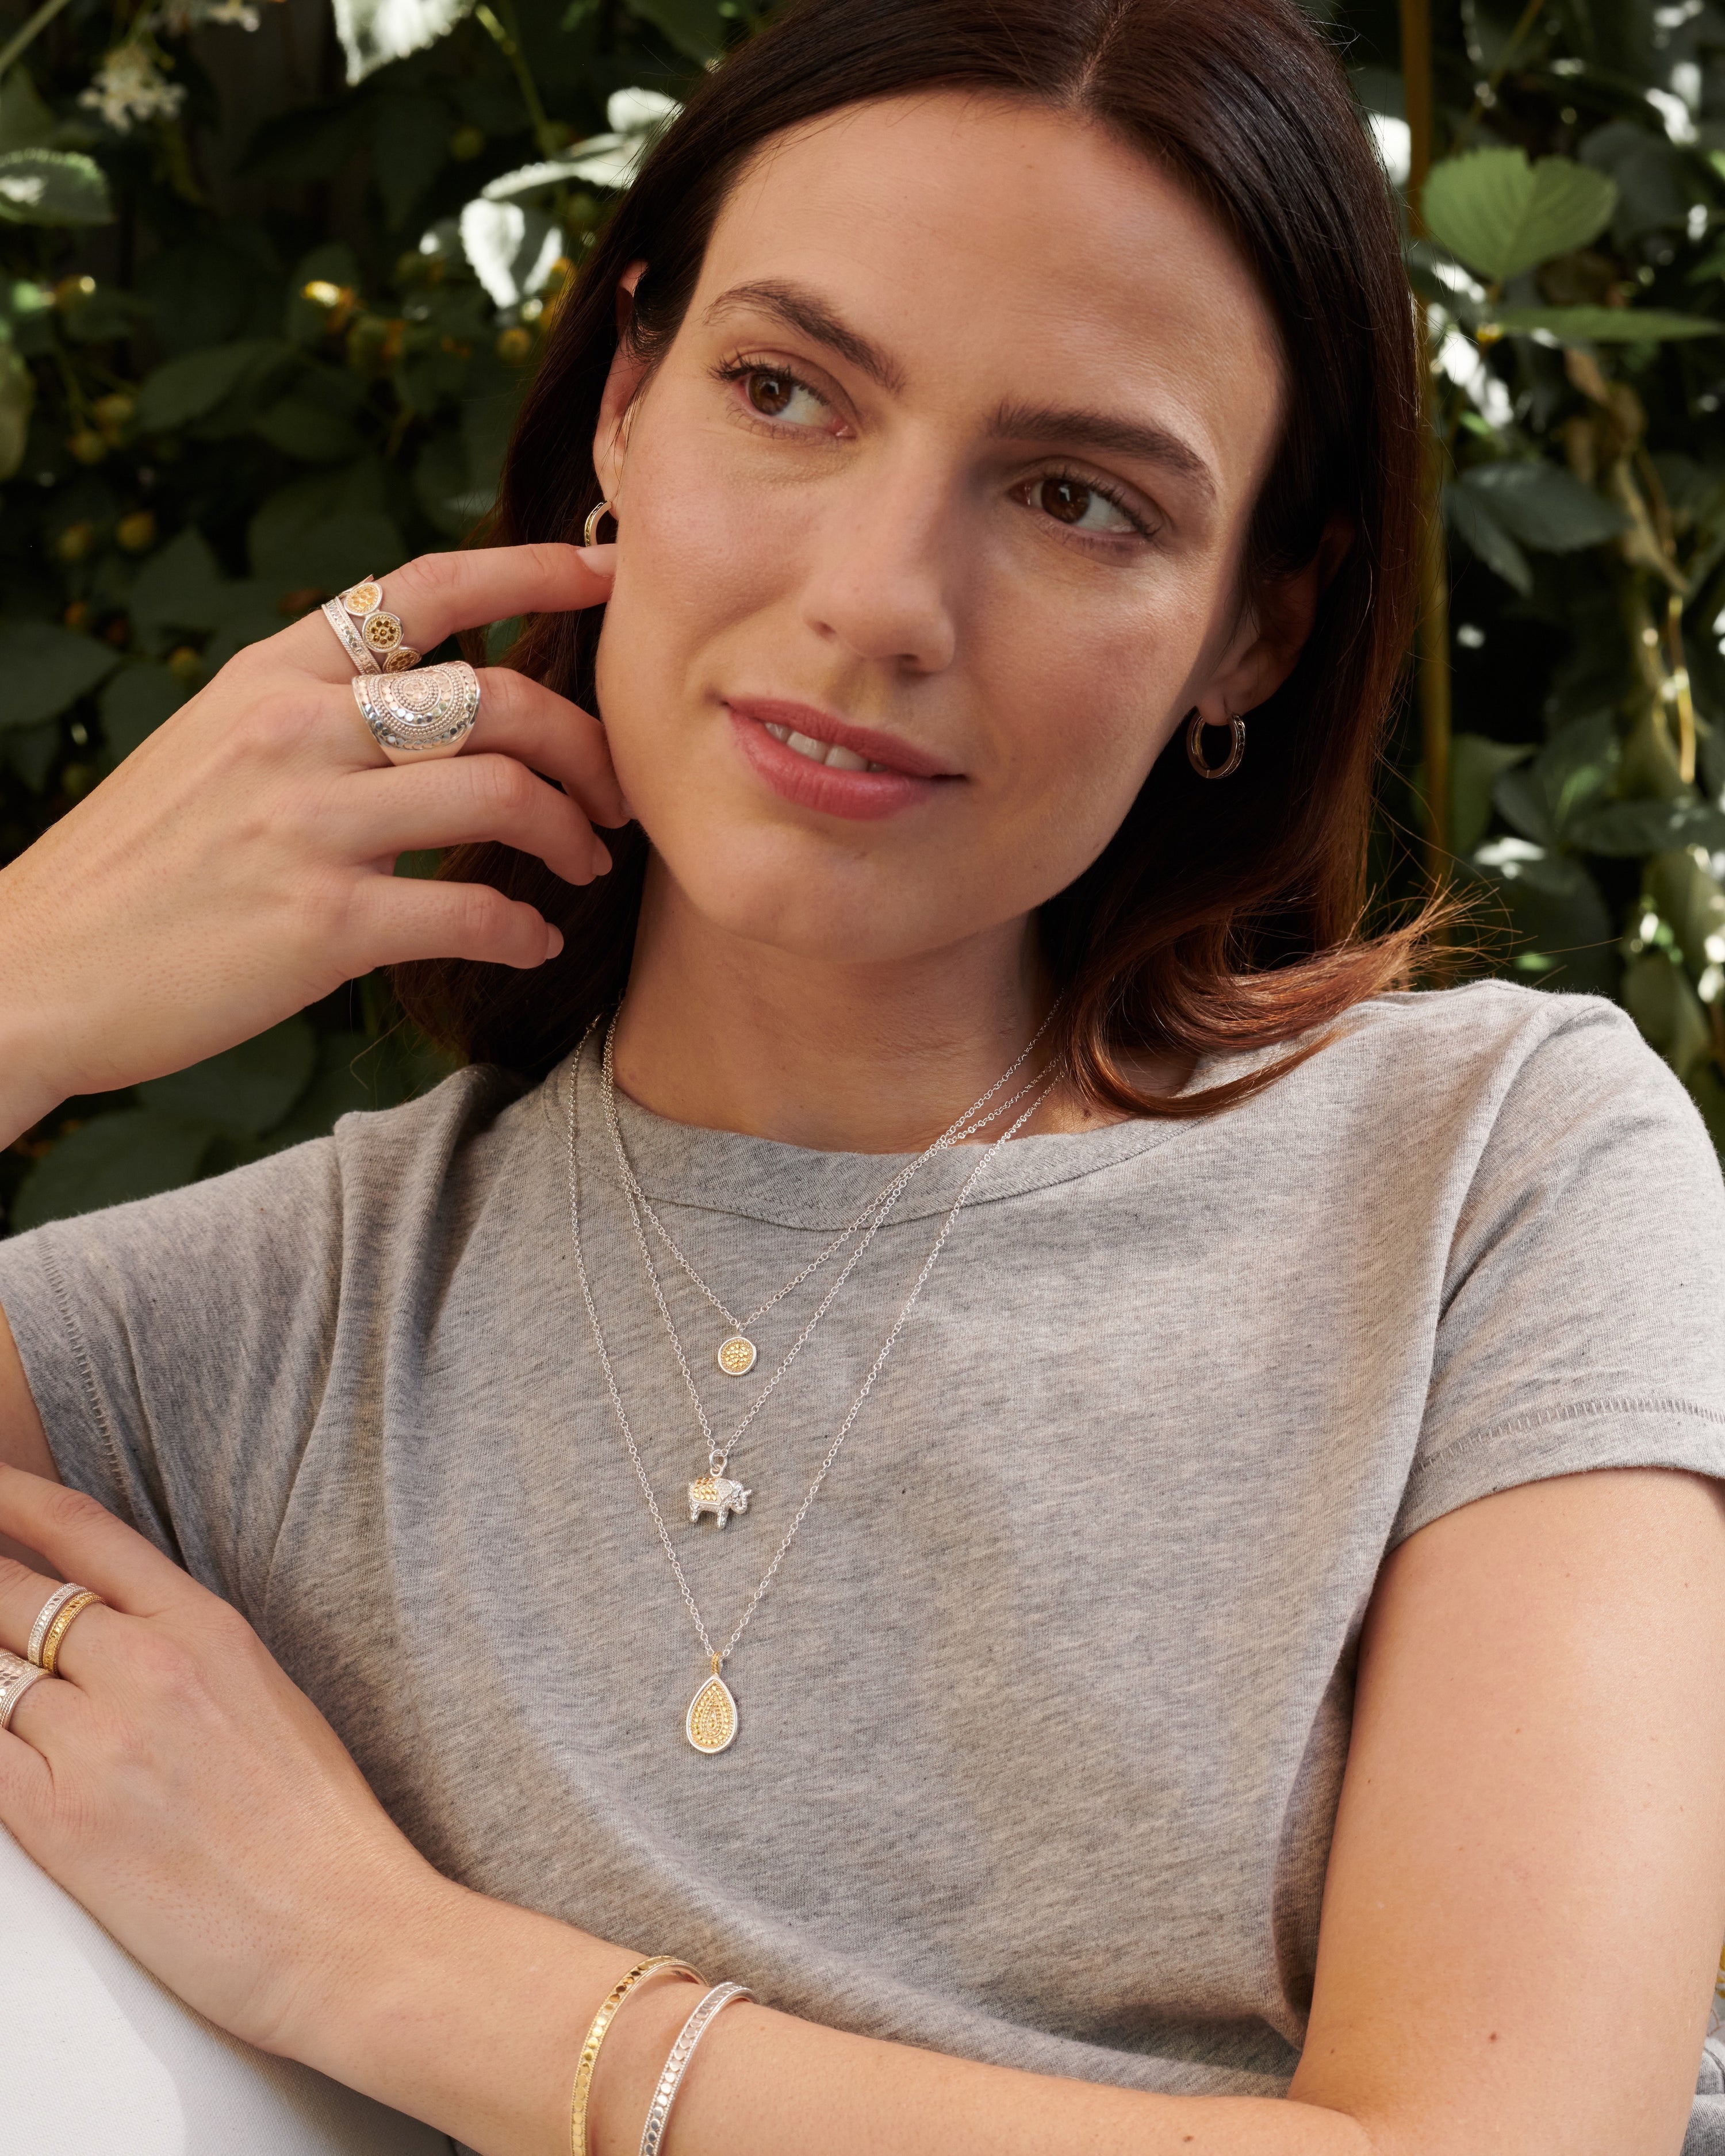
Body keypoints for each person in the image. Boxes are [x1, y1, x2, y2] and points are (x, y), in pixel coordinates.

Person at [1, 1, 1723, 2151]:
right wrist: (17, 981)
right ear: (626, 401)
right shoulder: (255, 1340)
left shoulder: (1490, 1178)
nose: (878, 597)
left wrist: (375, 1958)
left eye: (1078, 496)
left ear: (1255, 630)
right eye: (785, 390)